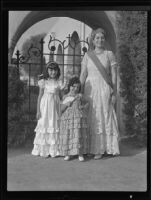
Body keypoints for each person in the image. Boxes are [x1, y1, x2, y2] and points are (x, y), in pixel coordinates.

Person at [80, 28, 120, 160]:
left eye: (102, 38)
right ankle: (89, 147)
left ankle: (102, 148)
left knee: (104, 116)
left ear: (105, 39)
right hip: (89, 89)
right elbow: (83, 74)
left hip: (104, 88)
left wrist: (114, 92)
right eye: (97, 38)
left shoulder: (109, 54)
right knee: (91, 116)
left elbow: (114, 75)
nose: (100, 40)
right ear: (92, 40)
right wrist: (79, 91)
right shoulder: (87, 55)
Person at [31, 61, 65, 158]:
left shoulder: (59, 83)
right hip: (45, 107)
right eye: (51, 70)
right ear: (47, 71)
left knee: (54, 124)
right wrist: (38, 111)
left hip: (55, 107)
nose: (53, 72)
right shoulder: (43, 82)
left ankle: (54, 150)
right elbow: (39, 96)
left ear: (57, 71)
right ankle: (43, 150)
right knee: (44, 124)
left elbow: (62, 97)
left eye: (55, 70)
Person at [58, 76, 89, 162]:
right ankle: (68, 153)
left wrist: (83, 107)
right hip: (67, 119)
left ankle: (80, 153)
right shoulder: (65, 97)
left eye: (77, 87)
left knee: (78, 134)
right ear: (70, 86)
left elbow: (87, 103)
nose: (75, 89)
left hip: (77, 118)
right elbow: (61, 109)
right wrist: (66, 104)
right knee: (68, 135)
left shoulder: (80, 96)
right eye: (73, 86)